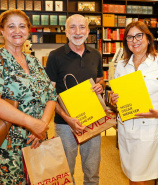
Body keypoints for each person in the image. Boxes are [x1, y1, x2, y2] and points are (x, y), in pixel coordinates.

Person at [110, 21, 158, 185]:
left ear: (148, 38)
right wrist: (114, 100)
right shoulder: (122, 65)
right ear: (125, 42)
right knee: (132, 174)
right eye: (130, 37)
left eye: (138, 35)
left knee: (141, 177)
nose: (134, 40)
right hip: (126, 128)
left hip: (149, 128)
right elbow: (117, 96)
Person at [46, 14, 105, 185]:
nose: (77, 32)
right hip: (65, 124)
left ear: (88, 31)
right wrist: (68, 119)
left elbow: (101, 80)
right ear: (65, 31)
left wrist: (101, 86)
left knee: (92, 172)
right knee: (65, 172)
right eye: (72, 27)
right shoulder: (54, 56)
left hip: (93, 120)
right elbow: (50, 94)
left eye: (82, 27)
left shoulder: (96, 54)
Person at [0, 9, 57, 185]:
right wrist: (32, 124)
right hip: (9, 144)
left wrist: (42, 126)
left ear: (28, 31)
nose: (17, 31)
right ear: (1, 31)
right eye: (11, 26)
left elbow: (51, 95)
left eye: (22, 26)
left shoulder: (33, 61)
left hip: (37, 139)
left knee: (39, 179)